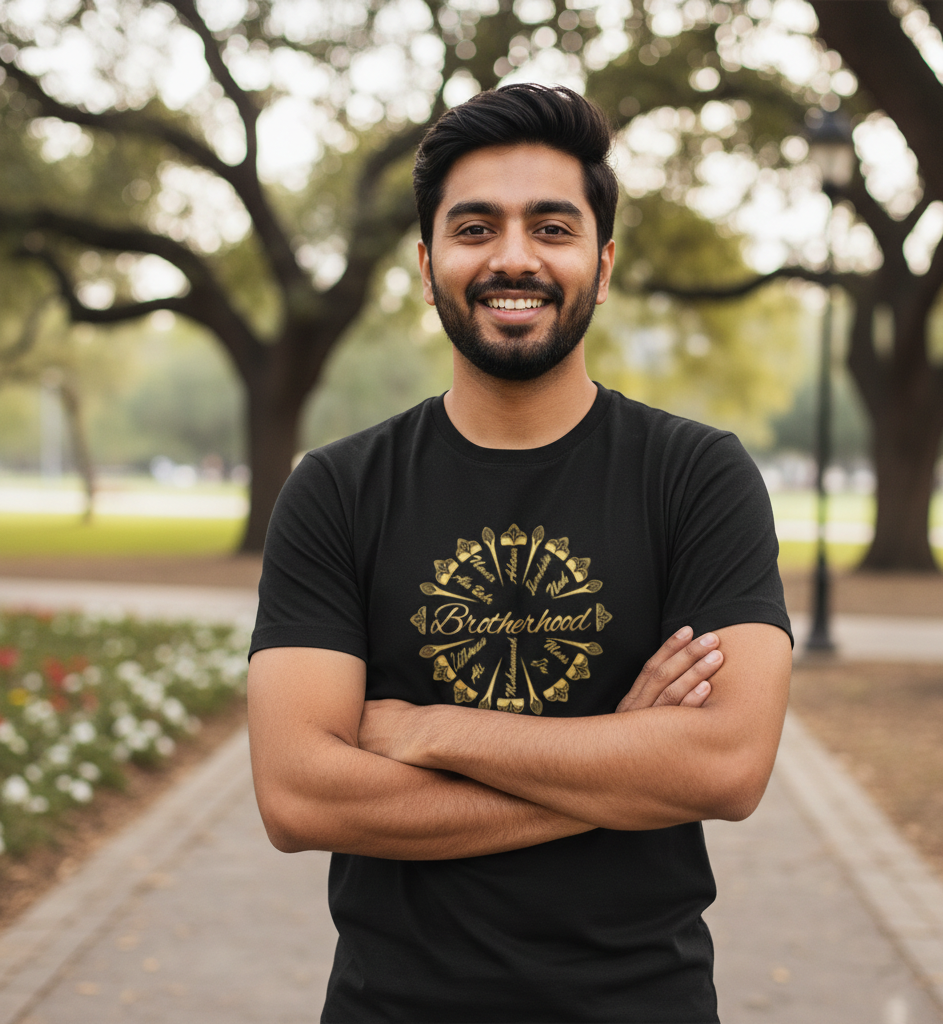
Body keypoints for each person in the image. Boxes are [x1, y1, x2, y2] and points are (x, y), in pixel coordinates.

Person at [247, 83, 792, 1024]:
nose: (513, 258)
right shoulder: (337, 489)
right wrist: (624, 764)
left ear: (603, 262)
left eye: (551, 227)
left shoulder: (696, 476)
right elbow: (299, 796)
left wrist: (430, 730)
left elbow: (726, 768)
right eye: (474, 228)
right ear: (427, 265)